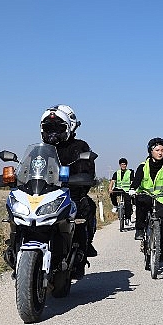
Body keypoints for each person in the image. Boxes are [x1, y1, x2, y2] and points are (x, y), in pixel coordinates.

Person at [39, 104, 98, 278]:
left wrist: (81, 179)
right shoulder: (42, 149)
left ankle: (81, 250)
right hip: (43, 195)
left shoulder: (80, 147)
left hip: (71, 195)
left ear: (70, 127)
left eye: (58, 128)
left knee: (87, 207)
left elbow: (87, 171)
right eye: (49, 128)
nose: (53, 132)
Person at [130, 137, 163, 264]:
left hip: (162, 197)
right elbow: (137, 180)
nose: (160, 153)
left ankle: (161, 249)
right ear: (150, 151)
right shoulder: (143, 166)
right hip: (145, 195)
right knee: (141, 204)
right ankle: (140, 230)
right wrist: (132, 189)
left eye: (162, 150)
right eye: (157, 150)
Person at [108, 158, 134, 225]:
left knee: (128, 203)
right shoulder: (117, 173)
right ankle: (115, 206)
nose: (123, 166)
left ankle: (128, 219)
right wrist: (110, 189)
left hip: (127, 190)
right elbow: (112, 181)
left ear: (126, 165)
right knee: (112, 193)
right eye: (122, 164)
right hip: (118, 188)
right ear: (120, 165)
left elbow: (132, 182)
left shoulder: (130, 172)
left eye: (125, 164)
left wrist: (132, 189)